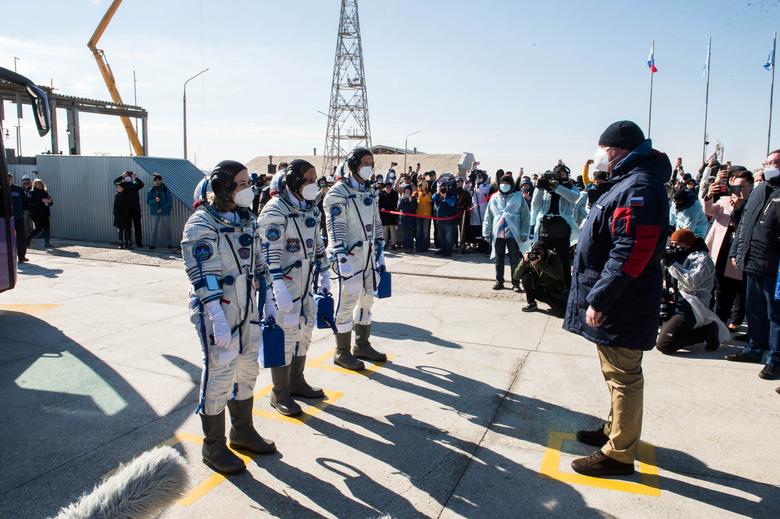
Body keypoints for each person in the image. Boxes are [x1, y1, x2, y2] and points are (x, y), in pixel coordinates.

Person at [564, 120, 671, 477]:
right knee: (615, 372)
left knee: (624, 376)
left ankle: (619, 454)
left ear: (617, 151)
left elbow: (631, 251)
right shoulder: (628, 183)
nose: (599, 157)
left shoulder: (638, 187)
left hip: (623, 301)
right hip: (621, 297)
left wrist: (600, 299)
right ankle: (614, 430)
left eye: (603, 150)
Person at [181, 160, 276, 474]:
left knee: (248, 368)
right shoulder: (201, 225)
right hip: (218, 309)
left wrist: (272, 298)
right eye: (242, 183)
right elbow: (203, 274)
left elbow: (259, 264)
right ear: (223, 187)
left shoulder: (246, 221)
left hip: (247, 306)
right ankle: (213, 446)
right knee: (220, 373)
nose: (249, 189)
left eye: (249, 182)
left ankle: (242, 431)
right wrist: (215, 314)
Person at [258, 160, 331, 417]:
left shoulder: (309, 209)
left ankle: (296, 380)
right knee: (286, 336)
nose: (314, 184)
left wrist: (324, 272)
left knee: (305, 331)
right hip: (285, 286)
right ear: (295, 181)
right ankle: (279, 392)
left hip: (305, 283)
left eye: (315, 179)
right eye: (309, 179)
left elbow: (318, 244)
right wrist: (276, 285)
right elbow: (268, 253)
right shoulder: (275, 211)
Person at [323, 147, 387, 371]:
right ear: (353, 165)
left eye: (372, 163)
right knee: (347, 301)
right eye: (366, 163)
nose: (370, 167)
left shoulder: (369, 191)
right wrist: (340, 255)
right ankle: (342, 352)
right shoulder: (338, 193)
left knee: (368, 299)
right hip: (349, 256)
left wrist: (380, 247)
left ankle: (362, 344)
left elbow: (376, 219)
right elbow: (335, 227)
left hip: (369, 254)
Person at [725, 149, 780, 380]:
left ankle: (774, 359)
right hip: (751, 261)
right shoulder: (759, 190)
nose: (769, 166)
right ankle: (754, 348)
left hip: (773, 266)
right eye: (767, 162)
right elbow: (745, 223)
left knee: (775, 315)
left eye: (775, 162)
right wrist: (736, 251)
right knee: (754, 310)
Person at [656, 229, 729, 354]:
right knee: (662, 336)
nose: (674, 247)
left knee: (664, 345)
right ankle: (686, 330)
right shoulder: (676, 256)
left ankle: (706, 331)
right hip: (674, 303)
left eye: (677, 244)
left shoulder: (702, 259)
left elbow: (691, 282)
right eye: (672, 244)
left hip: (692, 305)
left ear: (688, 244)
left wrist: (672, 264)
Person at [703, 169, 753, 330]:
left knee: (739, 288)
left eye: (743, 186)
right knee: (720, 288)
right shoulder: (724, 200)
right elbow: (708, 211)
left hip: (740, 250)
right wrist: (709, 195)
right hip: (721, 248)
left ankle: (736, 320)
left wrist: (741, 207)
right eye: (736, 186)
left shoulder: (753, 204)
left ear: (751, 187)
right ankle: (720, 322)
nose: (739, 190)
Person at [529, 163, 580, 284]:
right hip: (545, 225)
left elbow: (573, 198)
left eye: (564, 173)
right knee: (541, 255)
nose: (561, 175)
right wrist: (539, 188)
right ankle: (543, 282)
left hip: (562, 226)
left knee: (563, 257)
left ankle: (566, 283)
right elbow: (535, 205)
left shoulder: (571, 186)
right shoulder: (546, 187)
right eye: (559, 173)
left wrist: (557, 187)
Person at [483, 174, 530, 291]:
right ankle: (499, 281)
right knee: (498, 258)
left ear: (512, 185)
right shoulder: (494, 198)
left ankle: (515, 283)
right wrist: (486, 232)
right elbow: (488, 216)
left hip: (513, 233)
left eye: (508, 183)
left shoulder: (518, 197)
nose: (505, 185)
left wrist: (525, 232)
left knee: (514, 259)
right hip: (498, 231)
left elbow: (526, 215)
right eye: (503, 183)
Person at [513, 241, 567, 317]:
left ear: (545, 251)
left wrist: (540, 263)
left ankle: (558, 304)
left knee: (561, 313)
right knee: (526, 276)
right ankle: (531, 303)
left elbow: (557, 275)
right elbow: (516, 276)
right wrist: (524, 261)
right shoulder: (531, 257)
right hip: (539, 290)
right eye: (535, 251)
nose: (538, 254)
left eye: (540, 251)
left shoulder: (552, 257)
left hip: (553, 290)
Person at [113, 171, 144, 247]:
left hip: (133, 210)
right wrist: (134, 178)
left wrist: (124, 176)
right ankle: (130, 243)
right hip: (128, 211)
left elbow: (142, 184)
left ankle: (135, 243)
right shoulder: (123, 185)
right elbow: (115, 182)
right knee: (130, 227)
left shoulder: (133, 185)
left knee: (133, 227)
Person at [431, 178, 458, 257]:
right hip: (439, 220)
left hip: (449, 220)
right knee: (441, 237)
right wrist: (437, 192)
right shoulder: (438, 194)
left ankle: (448, 252)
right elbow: (432, 199)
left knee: (448, 237)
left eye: (444, 186)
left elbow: (452, 203)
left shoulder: (451, 193)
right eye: (441, 186)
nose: (443, 188)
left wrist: (445, 196)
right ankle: (443, 249)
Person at [146, 173, 173, 249]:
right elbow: (148, 202)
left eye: (159, 180)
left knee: (167, 228)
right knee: (154, 228)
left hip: (165, 212)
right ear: (154, 181)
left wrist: (162, 208)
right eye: (155, 180)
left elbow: (169, 201)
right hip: (154, 212)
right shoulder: (151, 190)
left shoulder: (165, 189)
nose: (157, 182)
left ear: (161, 180)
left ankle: (169, 244)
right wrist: (155, 200)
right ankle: (152, 244)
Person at [7, 174, 29, 263]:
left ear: (12, 179)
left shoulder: (18, 189)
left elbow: (26, 201)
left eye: (9, 179)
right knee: (6, 239)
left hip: (18, 218)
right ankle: (7, 257)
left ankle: (21, 256)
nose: (7, 181)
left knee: (22, 237)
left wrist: (23, 211)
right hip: (4, 219)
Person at [27, 179, 53, 248]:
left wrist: (49, 201)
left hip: (45, 213)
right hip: (36, 214)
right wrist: (41, 201)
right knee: (38, 228)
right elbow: (30, 203)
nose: (39, 185)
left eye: (41, 184)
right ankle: (28, 239)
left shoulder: (45, 192)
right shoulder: (32, 192)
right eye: (38, 184)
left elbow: (51, 203)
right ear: (34, 185)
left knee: (47, 228)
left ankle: (47, 243)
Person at [378, 181, 400, 249]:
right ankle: (384, 243)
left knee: (393, 230)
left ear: (391, 187)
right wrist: (381, 208)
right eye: (386, 187)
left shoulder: (395, 193)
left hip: (392, 215)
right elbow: (379, 203)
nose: (388, 188)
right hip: (384, 215)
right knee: (384, 230)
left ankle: (393, 244)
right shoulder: (381, 194)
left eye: (389, 187)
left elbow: (395, 203)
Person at [113, 183, 134, 249]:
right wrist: (115, 212)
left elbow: (128, 206)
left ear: (123, 188)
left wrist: (126, 213)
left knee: (126, 230)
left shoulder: (126, 195)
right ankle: (121, 243)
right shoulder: (116, 195)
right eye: (117, 187)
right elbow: (115, 205)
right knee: (119, 230)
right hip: (118, 216)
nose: (117, 188)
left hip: (125, 216)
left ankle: (128, 244)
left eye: (119, 187)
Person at [397, 185, 418, 252]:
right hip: (404, 219)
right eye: (406, 191)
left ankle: (410, 247)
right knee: (404, 234)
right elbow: (399, 207)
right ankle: (405, 247)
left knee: (410, 234)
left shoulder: (413, 198)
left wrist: (410, 200)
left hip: (411, 220)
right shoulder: (401, 198)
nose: (407, 192)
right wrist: (403, 200)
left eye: (408, 191)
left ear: (410, 192)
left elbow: (414, 208)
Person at [414, 180, 432, 252]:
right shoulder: (416, 193)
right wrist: (420, 194)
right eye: (420, 185)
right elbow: (416, 201)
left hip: (426, 215)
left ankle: (425, 246)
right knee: (418, 231)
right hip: (418, 214)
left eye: (423, 185)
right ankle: (418, 246)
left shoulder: (429, 193)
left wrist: (425, 192)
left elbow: (429, 200)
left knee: (425, 231)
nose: (421, 186)